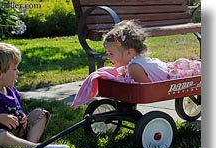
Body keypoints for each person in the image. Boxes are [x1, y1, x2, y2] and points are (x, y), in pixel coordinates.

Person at [71, 20, 201, 109]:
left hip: (172, 76)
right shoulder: (133, 63)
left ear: (129, 53)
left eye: (111, 53)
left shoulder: (134, 67)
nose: (108, 57)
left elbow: (149, 89)